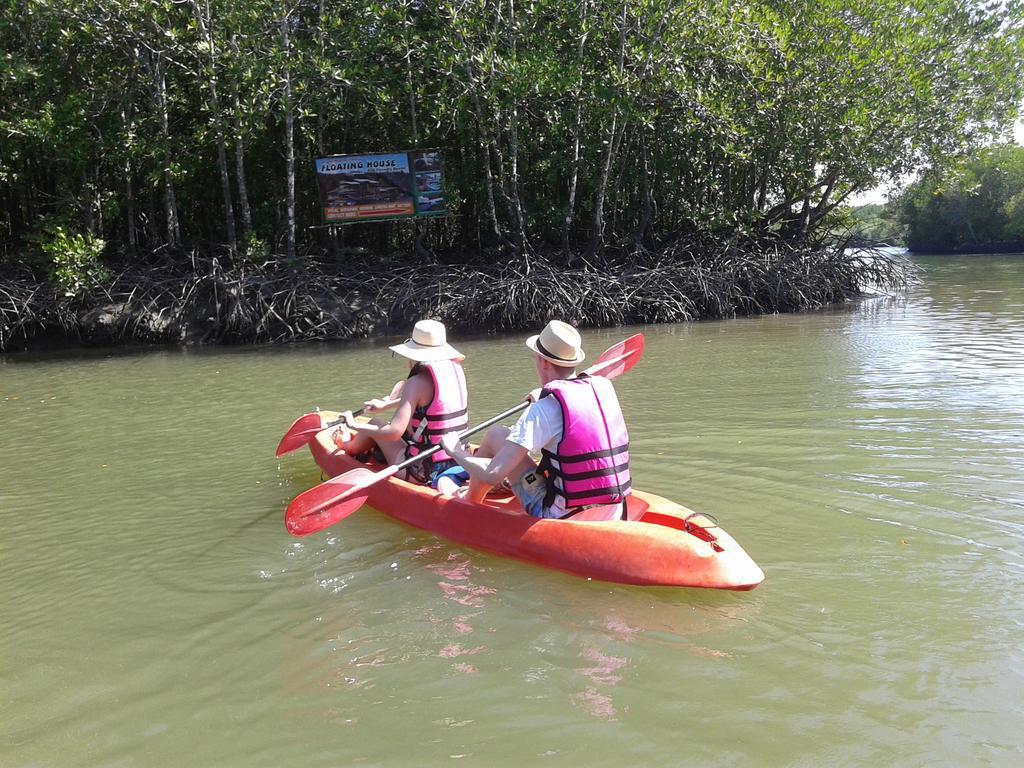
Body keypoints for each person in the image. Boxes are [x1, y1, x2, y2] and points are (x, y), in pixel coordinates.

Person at [440, 320, 631, 518]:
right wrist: (543, 395)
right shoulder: (602, 389)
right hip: (616, 510)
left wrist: (455, 451)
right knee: (497, 434)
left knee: (495, 455)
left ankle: (467, 507)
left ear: (545, 362)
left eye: (535, 358)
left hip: (562, 517)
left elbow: (493, 473)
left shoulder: (543, 410)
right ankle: (470, 498)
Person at [336, 319, 469, 488]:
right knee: (395, 428)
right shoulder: (455, 372)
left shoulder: (416, 382)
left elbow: (394, 432)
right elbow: (436, 405)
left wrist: (353, 425)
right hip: (460, 460)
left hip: (422, 470)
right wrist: (386, 405)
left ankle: (347, 446)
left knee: (376, 423)